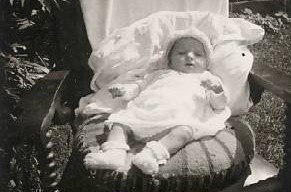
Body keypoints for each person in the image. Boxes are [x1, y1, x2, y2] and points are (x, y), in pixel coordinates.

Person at [84, 30, 230, 175]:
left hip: (178, 120)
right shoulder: (158, 74)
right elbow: (138, 87)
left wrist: (217, 91)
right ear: (169, 59)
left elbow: (219, 106)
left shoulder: (206, 78)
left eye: (198, 54)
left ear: (207, 62)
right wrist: (124, 91)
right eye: (181, 53)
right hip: (143, 116)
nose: (189, 57)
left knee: (184, 132)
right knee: (120, 123)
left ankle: (151, 155)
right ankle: (114, 154)